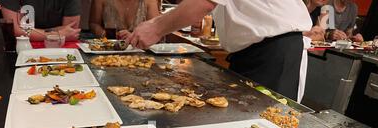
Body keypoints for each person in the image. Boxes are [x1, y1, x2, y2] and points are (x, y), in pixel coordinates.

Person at [128, 0, 312, 101]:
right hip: (256, 51)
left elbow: (204, 3)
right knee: (243, 127)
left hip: (273, 52)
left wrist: (155, 28)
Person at [0, 0, 81, 41]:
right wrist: (58, 34)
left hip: (58, 47)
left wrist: (35, 33)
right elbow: (14, 30)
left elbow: (70, 31)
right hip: (22, 46)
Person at [89, 0, 159, 40]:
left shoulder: (150, 1)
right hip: (109, 50)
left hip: (140, 52)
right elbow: (93, 23)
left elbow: (156, 30)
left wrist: (133, 37)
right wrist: (105, 34)